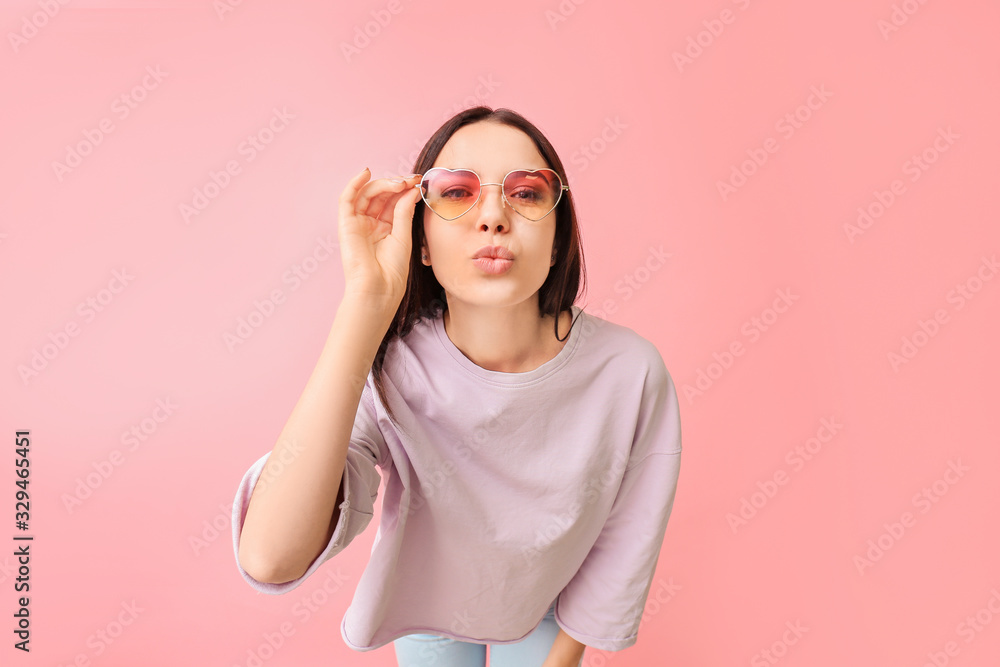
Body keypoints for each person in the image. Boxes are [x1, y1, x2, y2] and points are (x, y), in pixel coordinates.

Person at [232, 106, 683, 667]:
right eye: (454, 193)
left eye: (526, 193)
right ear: (420, 241)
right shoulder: (391, 367)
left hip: (551, 596)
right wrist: (365, 304)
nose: (493, 215)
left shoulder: (631, 371)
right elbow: (270, 556)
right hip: (428, 595)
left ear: (558, 237)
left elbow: (625, 532)